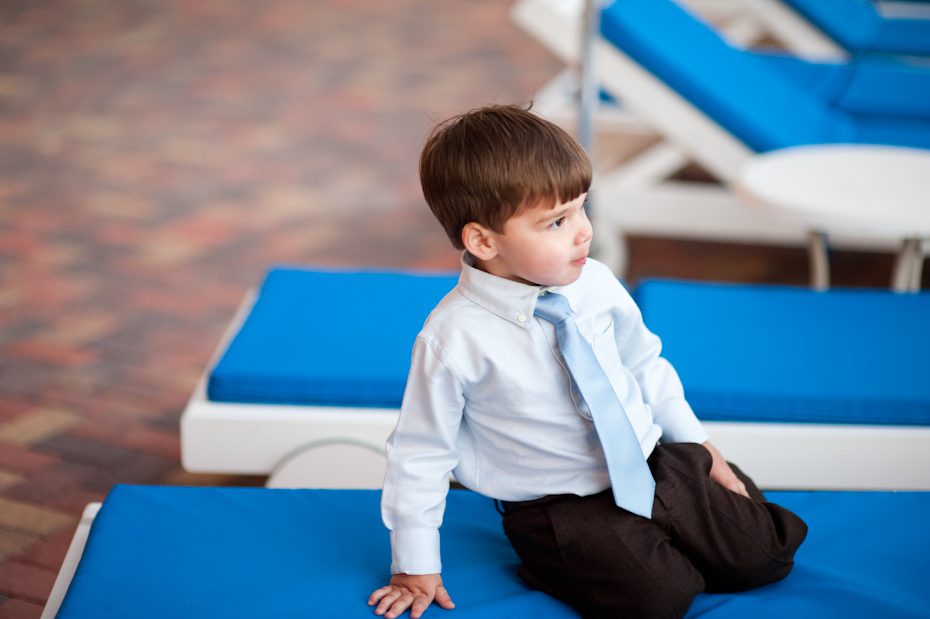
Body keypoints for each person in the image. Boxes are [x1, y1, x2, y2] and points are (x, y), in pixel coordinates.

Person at [368, 104, 807, 619]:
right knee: (659, 598)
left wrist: (700, 445)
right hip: (559, 506)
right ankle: (563, 562)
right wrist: (415, 563)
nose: (583, 232)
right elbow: (420, 451)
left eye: (581, 209)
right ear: (483, 241)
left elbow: (644, 364)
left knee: (766, 555)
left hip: (651, 461)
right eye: (556, 221)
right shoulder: (453, 338)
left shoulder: (594, 282)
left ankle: (683, 523)